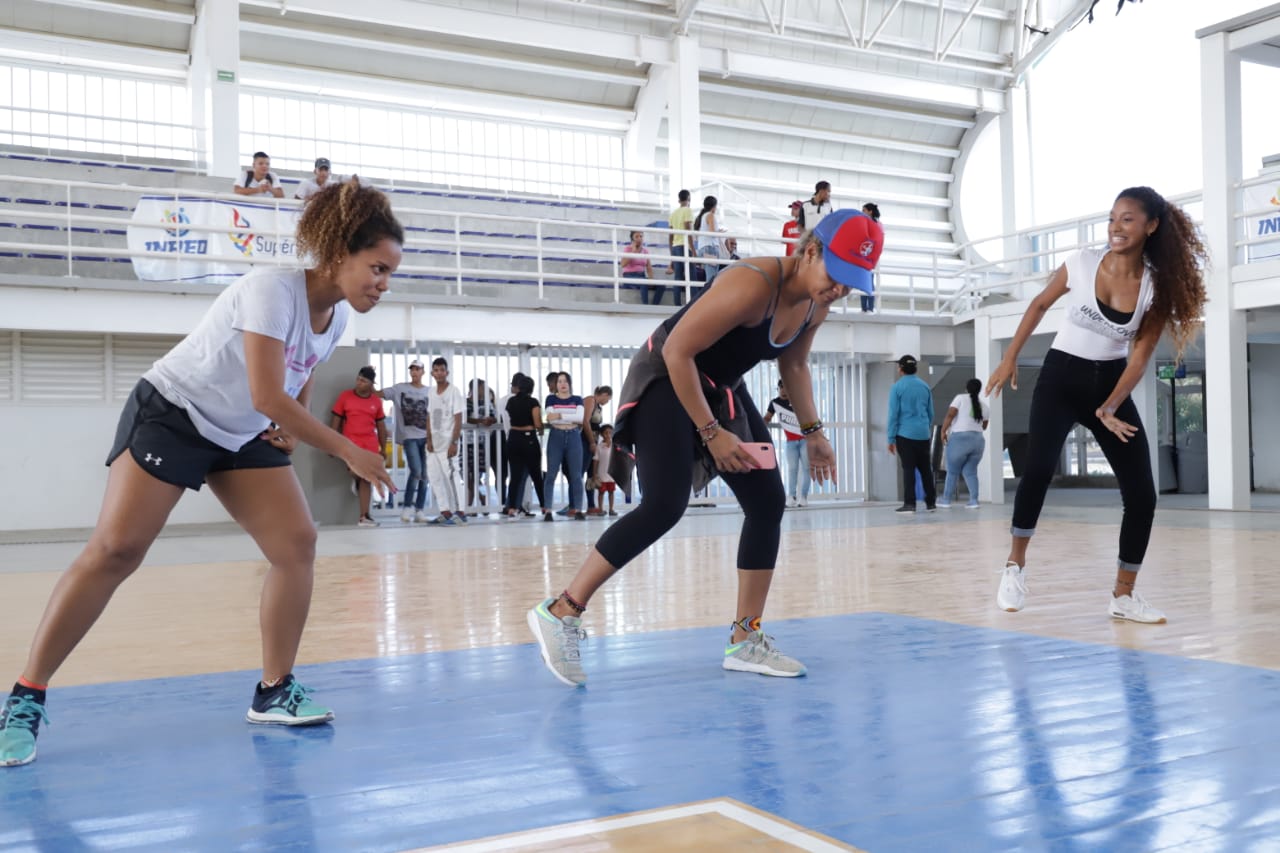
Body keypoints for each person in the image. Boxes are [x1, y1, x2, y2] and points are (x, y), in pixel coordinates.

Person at [0, 179, 402, 767]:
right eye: (377, 268)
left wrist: (294, 426)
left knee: (297, 543)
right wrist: (345, 449)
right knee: (117, 550)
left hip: (240, 430)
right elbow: (268, 391)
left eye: (390, 273)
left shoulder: (337, 320)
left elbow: (298, 371)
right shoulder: (270, 290)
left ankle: (274, 689)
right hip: (174, 413)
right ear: (339, 252)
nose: (383, 284)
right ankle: (25, 698)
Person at [526, 209, 884, 687]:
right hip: (667, 378)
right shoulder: (753, 283)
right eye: (837, 276)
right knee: (664, 506)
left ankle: (745, 638)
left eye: (851, 283)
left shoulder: (817, 304)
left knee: (767, 501)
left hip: (720, 386)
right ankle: (561, 610)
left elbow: (794, 365)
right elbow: (678, 352)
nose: (840, 289)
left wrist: (815, 431)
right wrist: (712, 433)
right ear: (811, 250)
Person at [986, 186, 1207, 623]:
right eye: (1112, 218)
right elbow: (1039, 303)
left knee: (1142, 494)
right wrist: (1010, 355)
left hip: (1109, 382)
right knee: (1038, 471)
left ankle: (1123, 597)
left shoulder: (1155, 288)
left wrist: (1110, 406)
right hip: (1059, 378)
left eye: (1127, 219)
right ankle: (1014, 567)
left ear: (1150, 226)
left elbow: (1141, 356)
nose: (1116, 227)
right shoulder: (1082, 263)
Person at [330, 366, 389, 527]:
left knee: (367, 478)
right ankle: (356, 480)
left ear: (371, 384)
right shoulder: (345, 397)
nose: (358, 383)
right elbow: (336, 421)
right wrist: (331, 444)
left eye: (363, 381)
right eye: (358, 379)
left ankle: (364, 516)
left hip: (369, 445)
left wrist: (383, 449)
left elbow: (381, 427)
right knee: (356, 473)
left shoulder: (376, 402)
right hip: (350, 445)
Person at [382, 360, 431, 523]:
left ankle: (419, 509)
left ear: (423, 372)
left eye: (418, 369)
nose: (414, 372)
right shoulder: (400, 389)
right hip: (409, 437)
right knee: (416, 471)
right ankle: (408, 507)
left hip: (426, 437)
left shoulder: (430, 392)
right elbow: (380, 394)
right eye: (412, 369)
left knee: (425, 474)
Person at [888, 355, 936, 513]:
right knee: (925, 470)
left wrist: (891, 438)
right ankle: (931, 503)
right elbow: (930, 413)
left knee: (908, 469)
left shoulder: (897, 387)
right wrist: (924, 427)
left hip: (905, 434)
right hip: (923, 434)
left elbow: (893, 414)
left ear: (900, 369)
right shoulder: (924, 386)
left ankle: (910, 504)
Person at [425, 357, 466, 524]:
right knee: (434, 477)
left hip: (448, 442)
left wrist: (454, 442)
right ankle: (445, 511)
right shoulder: (431, 392)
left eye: (442, 370)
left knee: (452, 476)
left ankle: (461, 512)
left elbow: (458, 417)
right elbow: (429, 416)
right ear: (432, 373)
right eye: (436, 370)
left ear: (446, 372)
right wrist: (428, 439)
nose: (439, 373)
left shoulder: (453, 391)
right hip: (433, 443)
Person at [542, 372, 588, 522]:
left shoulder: (577, 399)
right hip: (556, 437)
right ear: (556, 384)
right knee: (551, 474)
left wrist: (560, 415)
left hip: (574, 436)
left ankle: (578, 509)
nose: (562, 384)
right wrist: (568, 416)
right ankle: (548, 510)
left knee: (576, 475)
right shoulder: (551, 398)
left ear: (570, 383)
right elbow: (550, 418)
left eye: (565, 381)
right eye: (559, 381)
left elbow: (580, 418)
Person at [938, 379, 989, 509]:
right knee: (970, 472)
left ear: (966, 388)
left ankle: (946, 500)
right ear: (979, 390)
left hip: (959, 439)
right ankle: (974, 500)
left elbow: (950, 415)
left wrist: (943, 431)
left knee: (952, 471)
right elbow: (984, 426)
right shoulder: (984, 406)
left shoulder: (960, 398)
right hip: (978, 441)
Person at [503, 373, 546, 519]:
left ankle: (512, 508)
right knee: (536, 474)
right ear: (531, 389)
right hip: (529, 439)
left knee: (515, 476)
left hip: (513, 438)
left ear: (519, 387)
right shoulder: (533, 402)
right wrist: (540, 427)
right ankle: (544, 506)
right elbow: (537, 423)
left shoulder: (510, 402)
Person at [765, 379, 809, 508]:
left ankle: (804, 497)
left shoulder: (798, 401)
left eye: (787, 388)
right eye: (781, 388)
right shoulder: (774, 403)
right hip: (790, 442)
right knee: (792, 469)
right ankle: (791, 496)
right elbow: (767, 418)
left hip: (804, 439)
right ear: (778, 389)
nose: (784, 391)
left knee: (807, 468)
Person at [464, 378, 500, 511]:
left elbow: (495, 416)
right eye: (482, 387)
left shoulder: (487, 403)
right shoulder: (465, 402)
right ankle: (478, 498)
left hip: (482, 443)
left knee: (476, 474)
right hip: (466, 442)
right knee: (466, 474)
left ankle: (471, 506)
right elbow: (464, 417)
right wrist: (480, 421)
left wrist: (491, 419)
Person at [581, 385, 612, 515]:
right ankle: (574, 504)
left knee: (591, 474)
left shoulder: (598, 406)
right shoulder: (591, 400)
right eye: (608, 399)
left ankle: (591, 505)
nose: (608, 402)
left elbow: (596, 426)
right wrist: (592, 442)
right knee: (581, 471)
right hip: (585, 440)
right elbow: (585, 421)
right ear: (604, 394)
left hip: (593, 441)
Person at [666, 189, 695, 303]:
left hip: (675, 247)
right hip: (685, 246)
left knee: (678, 277)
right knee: (691, 276)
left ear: (679, 200)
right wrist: (693, 249)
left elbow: (670, 236)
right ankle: (694, 303)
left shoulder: (673, 214)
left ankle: (676, 303)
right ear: (689, 199)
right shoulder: (688, 210)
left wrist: (671, 254)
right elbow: (688, 229)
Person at [622, 230, 658, 305]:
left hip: (642, 276)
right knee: (643, 282)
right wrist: (633, 252)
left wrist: (651, 279)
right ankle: (645, 305)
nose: (639, 238)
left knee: (661, 286)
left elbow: (649, 268)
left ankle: (654, 305)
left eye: (641, 236)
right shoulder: (627, 249)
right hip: (629, 276)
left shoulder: (645, 251)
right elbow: (623, 264)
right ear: (632, 239)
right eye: (636, 237)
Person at [694, 195, 722, 284]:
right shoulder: (710, 215)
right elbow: (712, 232)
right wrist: (720, 232)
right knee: (712, 279)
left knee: (710, 277)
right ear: (714, 207)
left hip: (704, 247)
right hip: (710, 247)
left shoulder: (702, 216)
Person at [859, 203, 881, 312]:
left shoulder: (877, 224)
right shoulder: (863, 222)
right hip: (862, 252)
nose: (862, 212)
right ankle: (864, 308)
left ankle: (870, 308)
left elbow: (878, 239)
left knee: (870, 280)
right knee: (862, 279)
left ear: (870, 211)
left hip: (871, 253)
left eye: (864, 210)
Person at [595, 424, 618, 516]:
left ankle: (611, 509)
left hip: (611, 475)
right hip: (602, 475)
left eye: (610, 433)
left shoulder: (615, 446)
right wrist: (595, 474)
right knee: (601, 492)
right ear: (601, 434)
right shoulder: (599, 446)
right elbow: (596, 460)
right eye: (606, 433)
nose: (608, 435)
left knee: (611, 492)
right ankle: (600, 509)